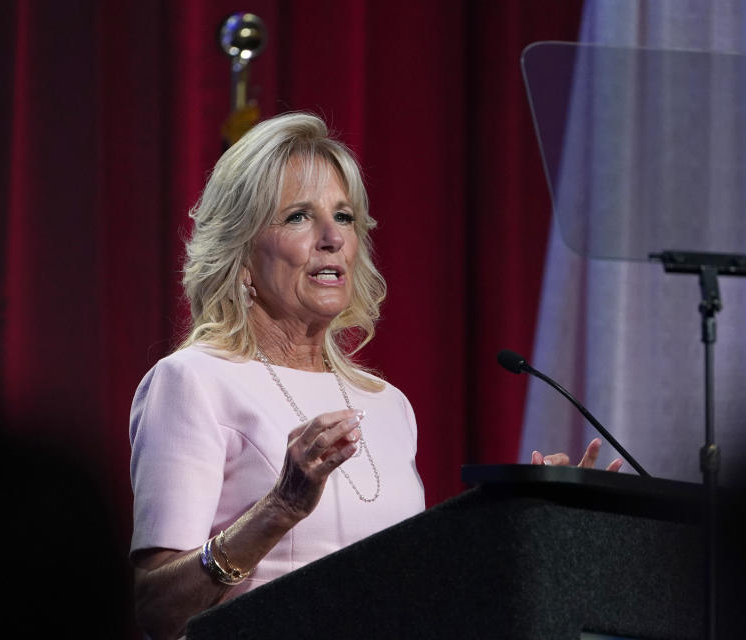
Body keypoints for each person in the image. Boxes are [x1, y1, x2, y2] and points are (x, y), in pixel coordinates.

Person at [129, 112, 618, 639]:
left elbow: (420, 591)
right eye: (298, 216)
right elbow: (159, 609)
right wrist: (280, 508)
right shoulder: (192, 381)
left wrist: (534, 525)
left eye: (344, 217)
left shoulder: (388, 405)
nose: (332, 237)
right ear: (241, 252)